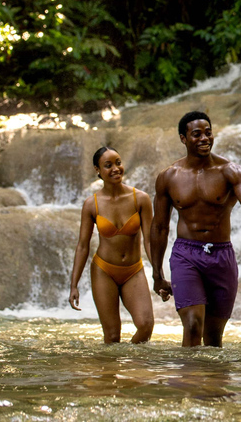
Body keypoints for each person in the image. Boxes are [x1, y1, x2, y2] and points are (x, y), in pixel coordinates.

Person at [150, 111, 241, 347]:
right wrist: (157, 274)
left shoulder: (230, 171)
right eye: (196, 134)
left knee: (213, 339)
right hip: (186, 254)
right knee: (193, 325)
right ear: (183, 138)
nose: (204, 138)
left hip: (221, 255)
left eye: (208, 133)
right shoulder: (169, 177)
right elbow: (160, 227)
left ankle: (211, 385)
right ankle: (189, 383)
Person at [69, 147, 155, 343]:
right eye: (108, 165)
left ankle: (133, 369)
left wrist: (158, 273)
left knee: (146, 326)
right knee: (112, 336)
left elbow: (149, 240)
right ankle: (109, 373)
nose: (116, 169)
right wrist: (74, 285)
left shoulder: (140, 199)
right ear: (97, 170)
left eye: (118, 162)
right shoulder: (92, 204)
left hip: (134, 270)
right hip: (103, 271)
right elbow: (83, 246)